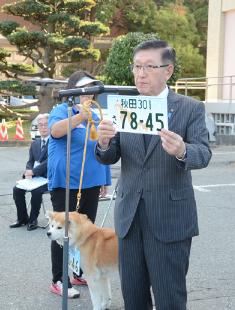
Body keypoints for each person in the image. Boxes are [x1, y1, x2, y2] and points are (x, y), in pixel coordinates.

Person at [95, 40, 212, 310]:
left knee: (170, 297)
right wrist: (103, 143)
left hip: (169, 217)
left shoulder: (190, 108)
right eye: (137, 67)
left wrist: (183, 150)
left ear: (168, 71)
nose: (140, 74)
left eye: (149, 67)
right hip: (128, 216)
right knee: (133, 297)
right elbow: (110, 155)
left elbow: (203, 154)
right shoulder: (125, 106)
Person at [47, 70, 111, 298]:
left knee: (86, 230)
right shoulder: (61, 111)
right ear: (74, 91)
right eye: (85, 89)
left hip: (91, 182)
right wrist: (79, 117)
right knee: (62, 232)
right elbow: (55, 131)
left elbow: (100, 147)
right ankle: (58, 279)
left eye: (92, 89)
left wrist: (105, 178)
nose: (89, 93)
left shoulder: (96, 114)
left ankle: (79, 272)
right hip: (65, 183)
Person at [10, 113, 49, 231]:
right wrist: (28, 170)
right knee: (17, 189)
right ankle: (22, 218)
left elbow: (49, 162)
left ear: (51, 125)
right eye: (40, 125)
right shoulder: (35, 143)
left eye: (45, 125)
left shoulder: (55, 143)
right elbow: (30, 161)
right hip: (34, 177)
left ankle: (33, 220)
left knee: (36, 192)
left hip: (48, 178)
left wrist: (33, 172)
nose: (42, 127)